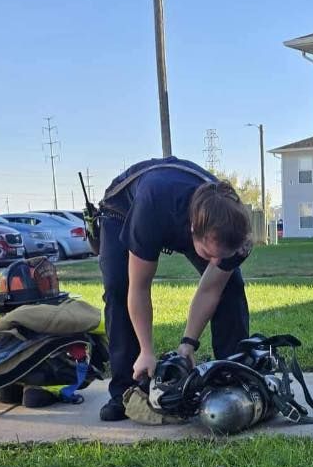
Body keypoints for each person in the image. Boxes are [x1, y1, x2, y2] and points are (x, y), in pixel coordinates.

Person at [97, 157, 253, 422]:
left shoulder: (235, 235)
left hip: (183, 211)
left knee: (231, 288)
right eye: (208, 254)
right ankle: (126, 387)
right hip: (122, 211)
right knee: (119, 287)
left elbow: (210, 290)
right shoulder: (153, 206)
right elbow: (140, 287)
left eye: (222, 257)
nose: (215, 263)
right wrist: (147, 350)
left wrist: (187, 345)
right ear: (192, 230)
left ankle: (232, 375)